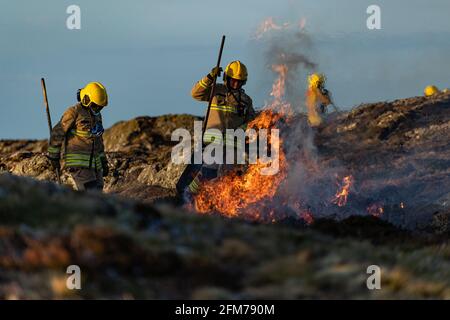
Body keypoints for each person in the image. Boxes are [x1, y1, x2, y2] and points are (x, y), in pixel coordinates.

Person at [188, 61, 256, 194]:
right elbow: (195, 94)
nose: (235, 84)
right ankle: (189, 196)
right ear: (226, 78)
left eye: (239, 81)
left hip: (232, 146)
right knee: (207, 172)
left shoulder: (246, 100)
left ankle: (217, 205)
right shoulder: (215, 91)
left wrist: (243, 127)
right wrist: (209, 78)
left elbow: (252, 121)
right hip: (212, 142)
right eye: (233, 80)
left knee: (227, 178)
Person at [47, 82, 109, 191]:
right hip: (79, 164)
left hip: (95, 165)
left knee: (98, 195)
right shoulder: (73, 112)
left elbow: (99, 140)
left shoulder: (97, 116)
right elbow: (58, 133)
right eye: (95, 106)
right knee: (91, 194)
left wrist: (103, 162)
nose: (97, 109)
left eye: (100, 108)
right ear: (86, 99)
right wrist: (53, 155)